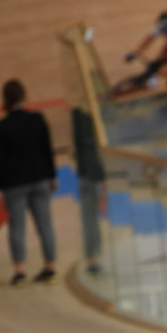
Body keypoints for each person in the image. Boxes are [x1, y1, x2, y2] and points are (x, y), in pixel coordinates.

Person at [0, 79, 58, 286]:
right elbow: (47, 150)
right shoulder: (37, 119)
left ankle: (20, 270)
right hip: (39, 178)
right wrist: (52, 175)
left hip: (14, 184)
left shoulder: (1, 127)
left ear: (4, 98)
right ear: (24, 96)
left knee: (17, 228)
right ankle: (50, 267)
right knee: (45, 225)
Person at [70, 107, 104, 275]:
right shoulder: (90, 116)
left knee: (89, 217)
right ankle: (94, 257)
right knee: (92, 217)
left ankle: (92, 256)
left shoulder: (77, 116)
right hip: (93, 174)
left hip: (86, 173)